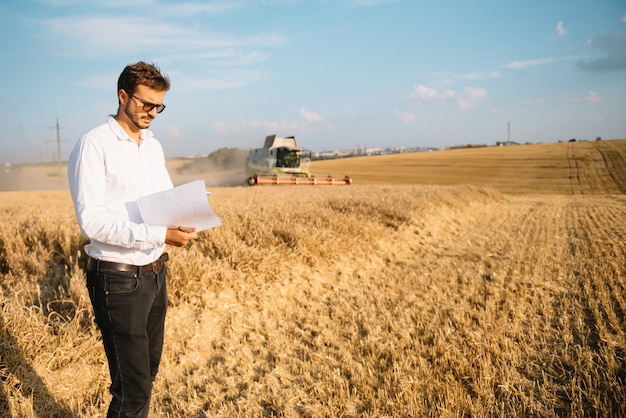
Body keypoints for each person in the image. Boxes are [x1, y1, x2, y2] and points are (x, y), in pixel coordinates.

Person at [67, 61, 198, 417]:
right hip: (118, 278)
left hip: (156, 274)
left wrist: (186, 218)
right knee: (132, 390)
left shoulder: (153, 146)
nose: (153, 112)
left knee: (147, 374)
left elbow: (165, 199)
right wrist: (158, 234)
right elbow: (91, 221)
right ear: (123, 96)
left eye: (159, 106)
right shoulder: (94, 145)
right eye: (145, 104)